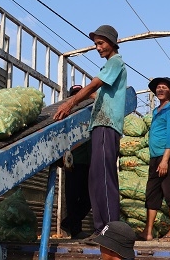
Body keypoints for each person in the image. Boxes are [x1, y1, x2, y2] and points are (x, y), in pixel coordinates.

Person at [54, 25, 128, 241]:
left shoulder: (116, 62)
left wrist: (70, 103)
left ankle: (108, 229)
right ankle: (101, 228)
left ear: (112, 43)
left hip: (107, 125)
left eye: (101, 43)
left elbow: (93, 86)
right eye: (96, 44)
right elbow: (99, 94)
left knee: (104, 178)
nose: (98, 47)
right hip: (100, 125)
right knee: (96, 179)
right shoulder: (111, 66)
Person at [137, 77, 170, 242]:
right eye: (158, 88)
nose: (160, 90)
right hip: (155, 158)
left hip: (167, 157)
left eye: (164, 87)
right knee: (152, 194)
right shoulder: (156, 111)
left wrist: (165, 160)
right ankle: (147, 232)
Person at [60, 84, 92, 239]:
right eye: (75, 94)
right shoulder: (67, 115)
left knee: (89, 197)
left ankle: (69, 222)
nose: (78, 97)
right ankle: (75, 230)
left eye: (80, 94)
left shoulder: (90, 113)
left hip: (90, 161)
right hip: (73, 162)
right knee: (72, 197)